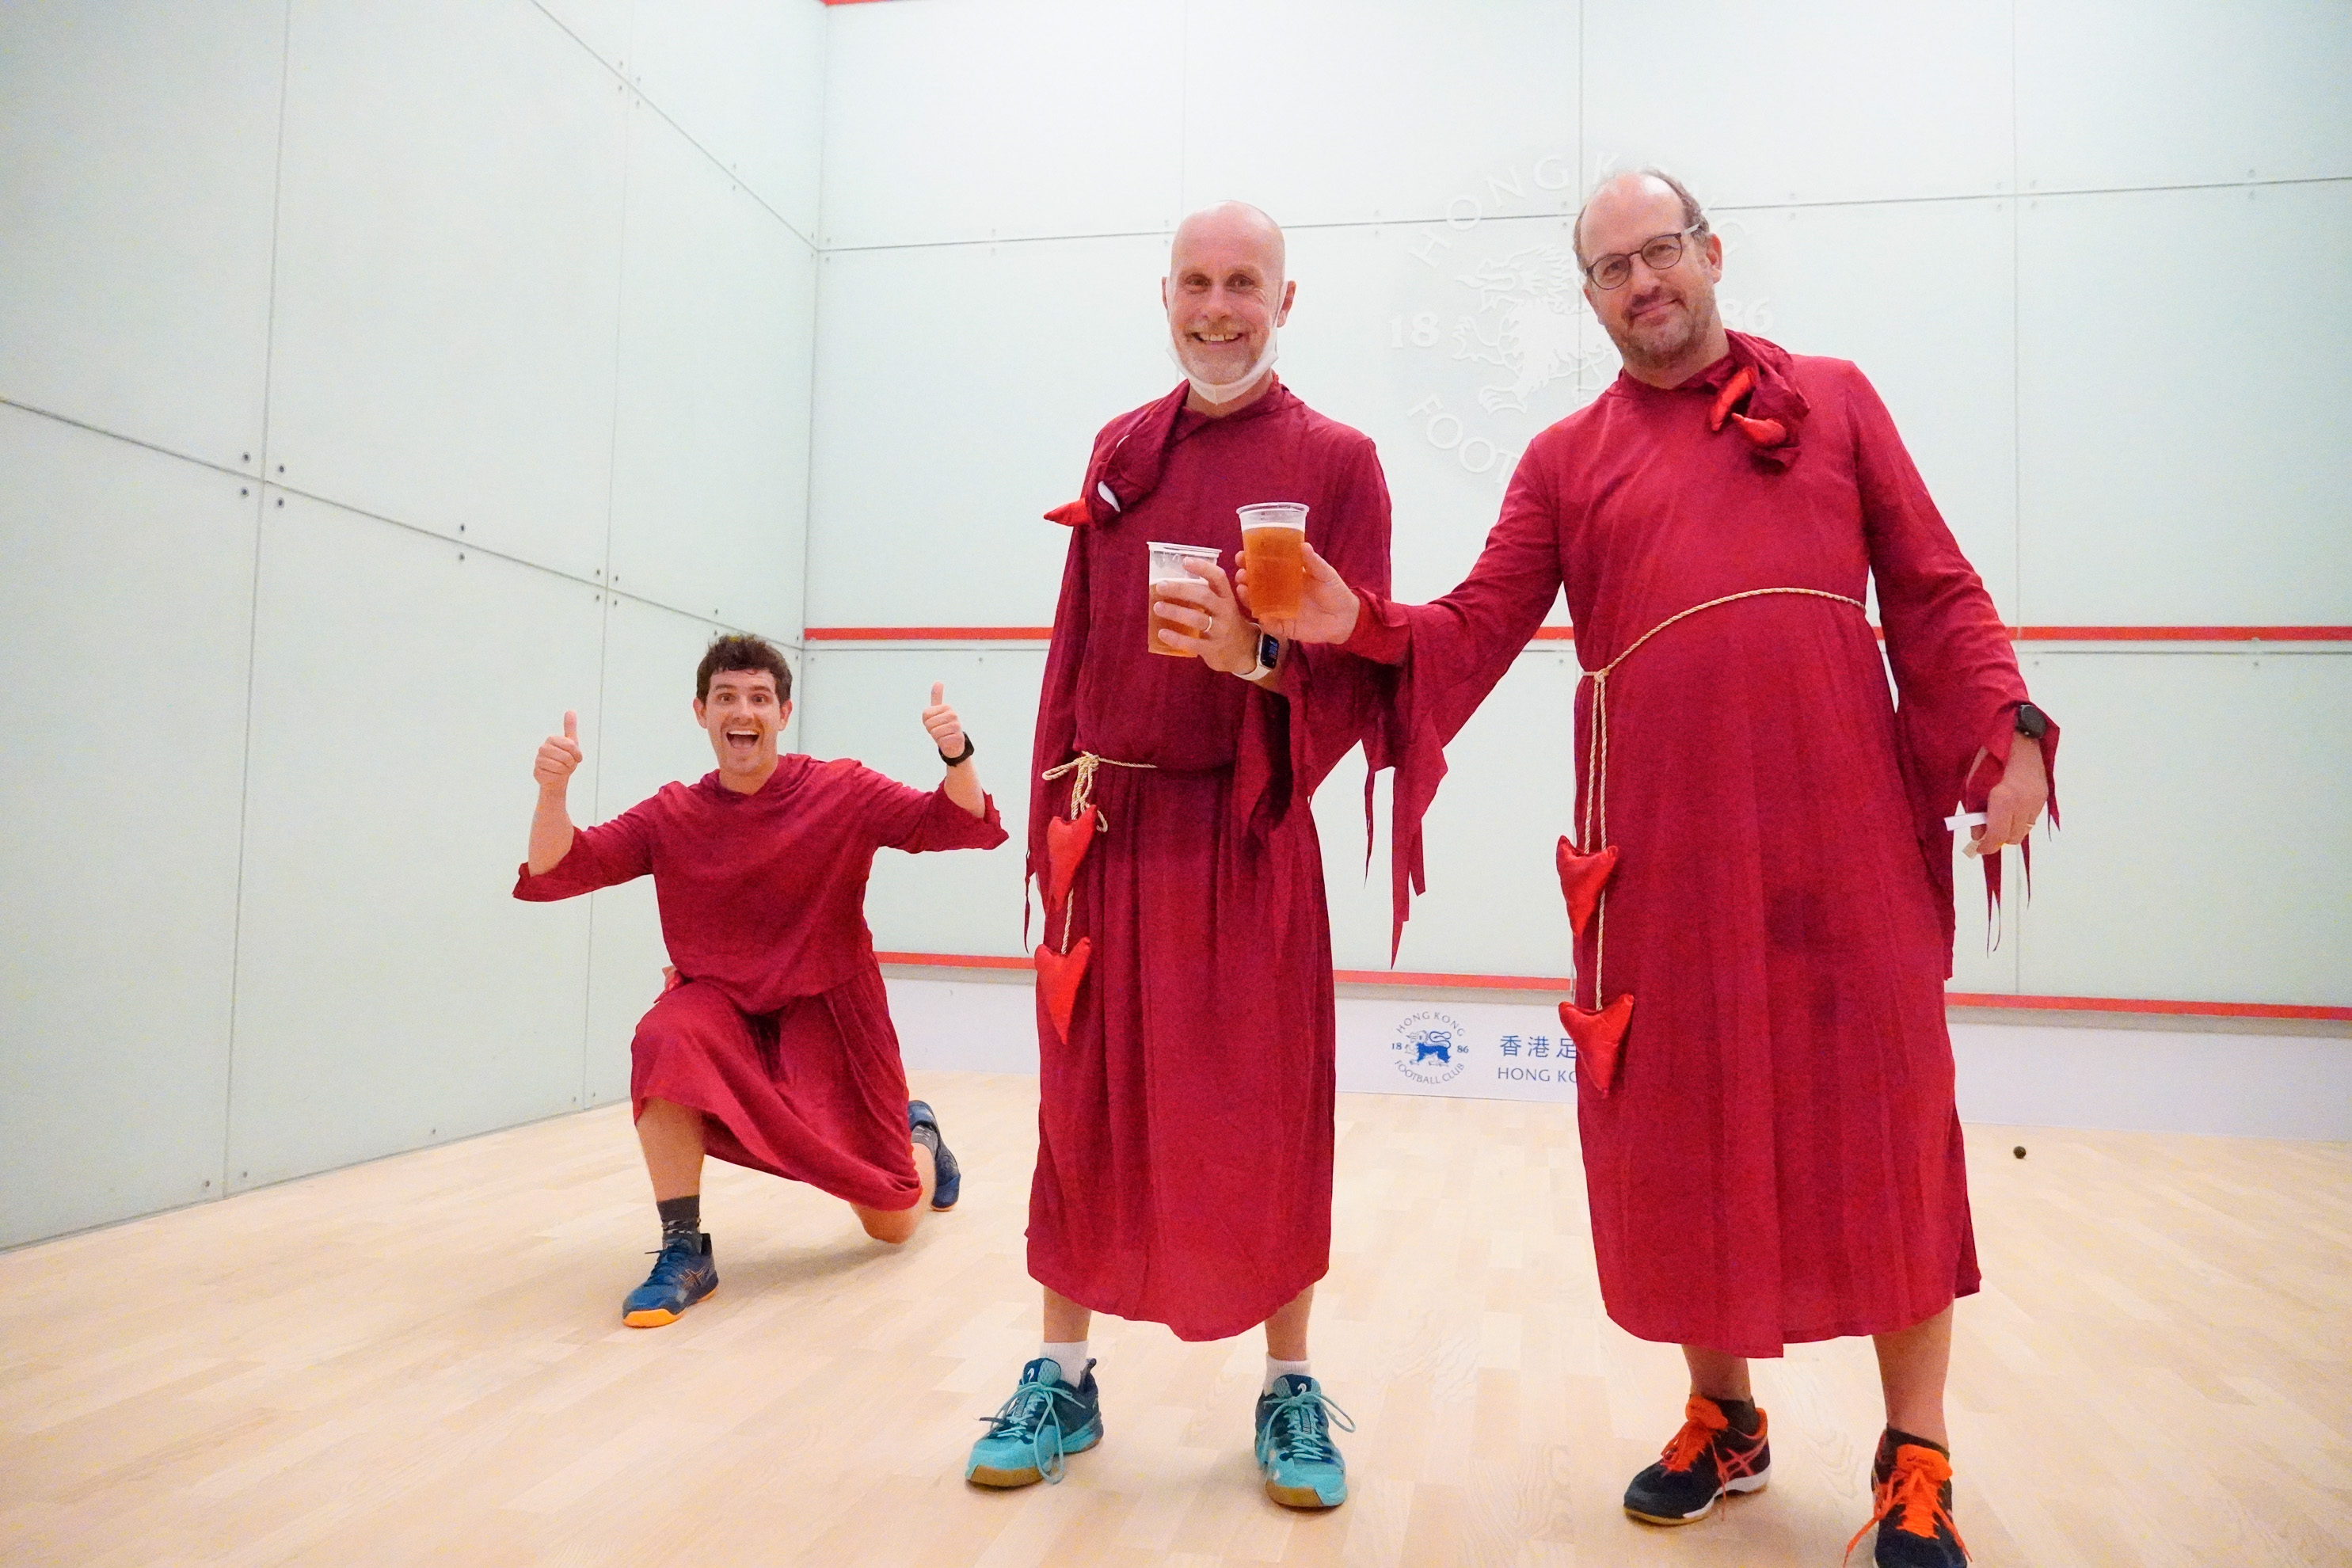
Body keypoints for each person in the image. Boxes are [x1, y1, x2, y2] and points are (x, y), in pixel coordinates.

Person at [1268, 169, 2055, 1566]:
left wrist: (2012, 729)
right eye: (1611, 268)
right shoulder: (1562, 461)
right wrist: (1357, 623)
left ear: (1711, 252)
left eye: (1661, 251)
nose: (1643, 282)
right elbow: (1475, 627)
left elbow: (1935, 587)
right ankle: (1723, 1417)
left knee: (1888, 1124)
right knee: (1684, 1127)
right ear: (1587, 298)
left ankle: (1916, 1449)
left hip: (1843, 832)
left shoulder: (1838, 401)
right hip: (1662, 852)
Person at [963, 202, 1394, 1509]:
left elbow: (1363, 671)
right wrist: (1052, 812)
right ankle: (1060, 1374)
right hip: (1108, 833)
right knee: (1080, 1107)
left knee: (1265, 1113)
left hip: (1245, 832)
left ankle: (1289, 1386)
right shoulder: (1120, 449)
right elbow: (1075, 646)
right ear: (1164, 295)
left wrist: (1249, 657)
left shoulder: (1341, 461)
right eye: (1196, 283)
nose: (1218, 308)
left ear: (1285, 300)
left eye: (1243, 284)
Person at [516, 634, 1007, 1327]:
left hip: (833, 1017)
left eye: (758, 698)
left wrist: (957, 755)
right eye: (725, 697)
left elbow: (953, 822)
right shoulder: (670, 813)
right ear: (701, 712)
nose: (741, 711)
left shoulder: (842, 789)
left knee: (892, 1224)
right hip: (723, 1010)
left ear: (783, 713)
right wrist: (552, 794)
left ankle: (919, 1134)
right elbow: (560, 869)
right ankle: (683, 1249)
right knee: (665, 1035)